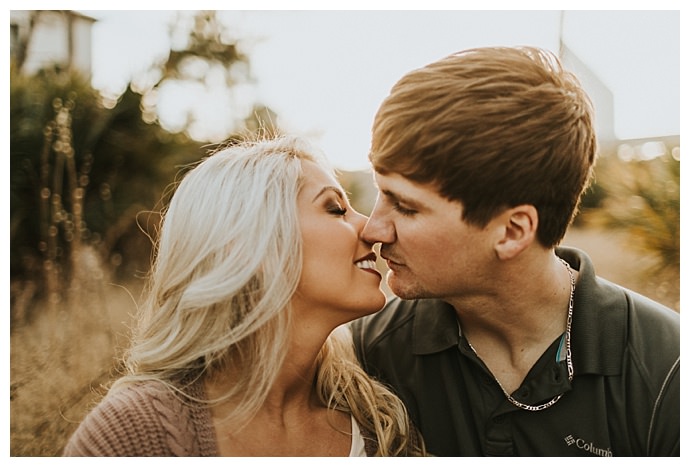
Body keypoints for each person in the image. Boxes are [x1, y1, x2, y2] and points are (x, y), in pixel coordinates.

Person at [350, 46, 679, 456]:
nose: (373, 227)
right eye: (380, 192)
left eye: (406, 206)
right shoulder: (369, 350)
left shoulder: (668, 373)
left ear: (511, 231)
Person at [63, 135, 425, 456]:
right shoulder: (135, 435)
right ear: (251, 248)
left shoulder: (380, 424)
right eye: (335, 209)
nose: (372, 229)